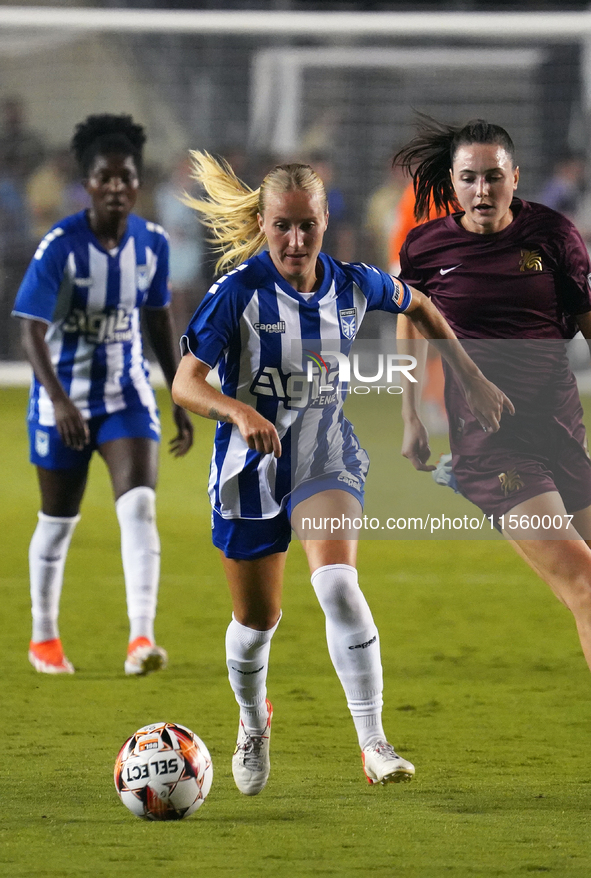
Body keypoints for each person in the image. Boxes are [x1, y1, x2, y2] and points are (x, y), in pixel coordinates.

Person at [171, 152, 511, 795]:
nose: (295, 241)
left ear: (328, 222)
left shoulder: (355, 283)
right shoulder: (236, 294)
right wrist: (237, 409)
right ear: (264, 225)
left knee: (337, 586)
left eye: (308, 226)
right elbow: (186, 384)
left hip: (326, 453)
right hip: (250, 469)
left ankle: (374, 742)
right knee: (254, 627)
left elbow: (423, 306)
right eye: (282, 227)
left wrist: (472, 378)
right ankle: (253, 722)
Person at [394, 116, 591, 676]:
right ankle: (472, 472)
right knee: (585, 586)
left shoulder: (554, 237)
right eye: (469, 178)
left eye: (494, 177)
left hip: (560, 431)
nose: (482, 190)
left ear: (515, 177)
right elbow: (412, 318)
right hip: (494, 446)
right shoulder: (427, 246)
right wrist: (411, 413)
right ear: (452, 183)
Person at [12, 114, 194, 676]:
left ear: (138, 184)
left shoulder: (153, 244)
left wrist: (178, 394)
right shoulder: (61, 245)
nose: (116, 187)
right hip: (61, 401)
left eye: (126, 178)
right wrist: (61, 401)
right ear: (87, 185)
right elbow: (30, 328)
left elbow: (159, 320)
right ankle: (45, 640)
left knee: (139, 507)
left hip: (126, 395)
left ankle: (142, 639)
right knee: (57, 521)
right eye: (104, 178)